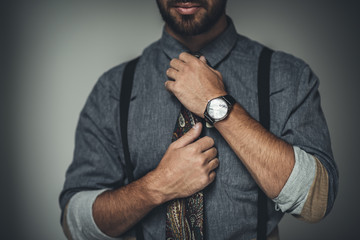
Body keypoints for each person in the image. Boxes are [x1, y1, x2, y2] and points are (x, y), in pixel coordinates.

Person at [59, 0, 338, 239]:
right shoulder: (114, 88)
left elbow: (316, 201)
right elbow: (74, 222)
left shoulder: (287, 76)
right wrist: (157, 186)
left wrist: (216, 103)